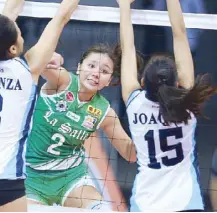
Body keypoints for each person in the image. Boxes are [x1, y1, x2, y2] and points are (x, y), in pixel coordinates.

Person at [0, 0, 81, 211]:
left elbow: (10, 10)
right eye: (19, 34)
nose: (22, 36)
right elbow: (61, 17)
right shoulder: (27, 68)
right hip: (3, 179)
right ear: (13, 47)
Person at [117, 0, 217, 211]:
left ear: (142, 82)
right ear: (177, 82)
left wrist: (124, 6)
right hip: (186, 201)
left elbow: (128, 49)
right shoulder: (187, 103)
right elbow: (180, 34)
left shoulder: (135, 104)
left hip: (146, 204)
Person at [25, 44, 137, 210]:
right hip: (31, 175)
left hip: (71, 178)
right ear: (78, 68)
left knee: (103, 210)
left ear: (109, 81)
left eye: (104, 71)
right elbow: (31, 58)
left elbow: (130, 154)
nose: (96, 73)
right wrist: (51, 57)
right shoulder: (63, 81)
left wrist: (147, 130)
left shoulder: (105, 112)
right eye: (91, 66)